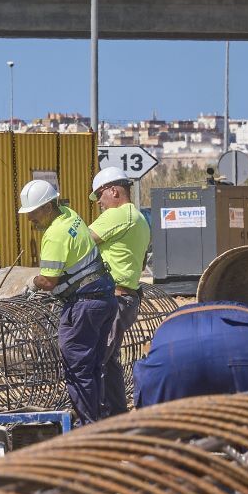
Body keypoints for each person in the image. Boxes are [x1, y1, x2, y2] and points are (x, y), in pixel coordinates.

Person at [20, 179, 118, 425]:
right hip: (104, 297)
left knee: (77, 367)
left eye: (33, 212)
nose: (30, 218)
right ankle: (99, 418)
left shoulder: (54, 236)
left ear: (48, 207)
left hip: (83, 305)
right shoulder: (69, 214)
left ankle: (88, 426)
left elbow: (49, 281)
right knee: (95, 365)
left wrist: (32, 282)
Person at [88, 167, 152, 417]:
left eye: (100, 195)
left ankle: (100, 419)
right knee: (109, 359)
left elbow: (78, 242)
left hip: (113, 298)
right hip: (128, 298)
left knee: (96, 360)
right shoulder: (138, 218)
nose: (100, 204)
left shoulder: (117, 215)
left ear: (114, 191)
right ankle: (116, 414)